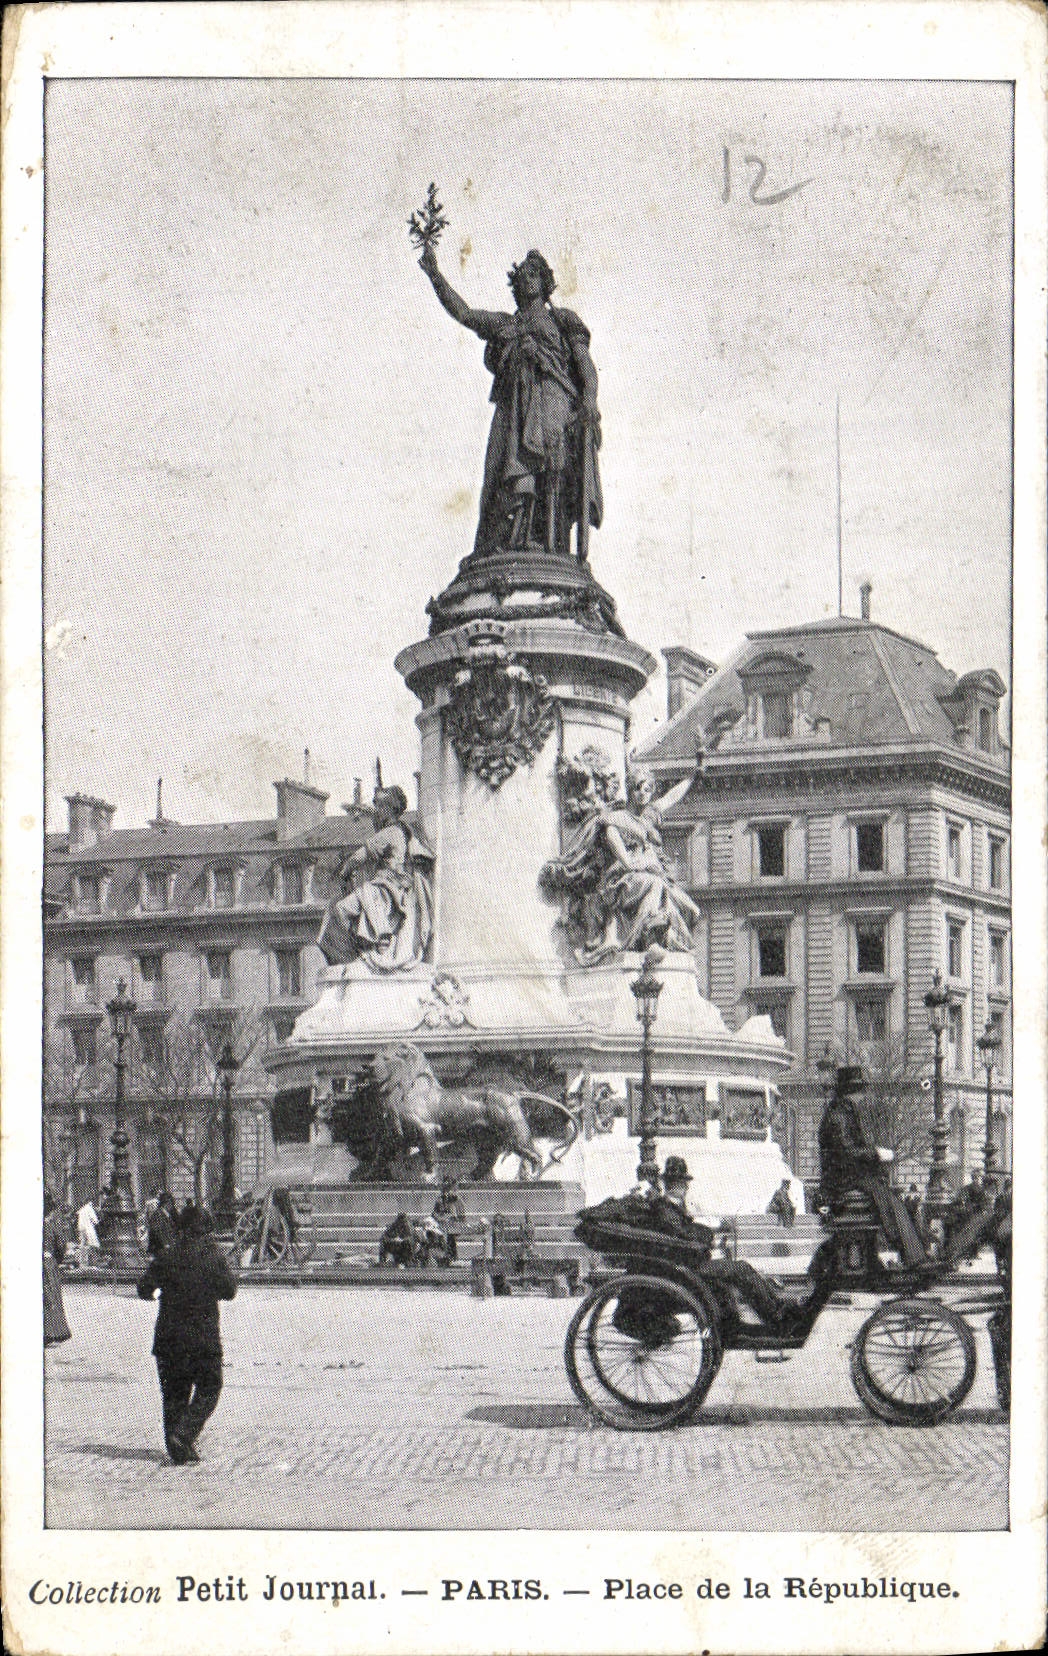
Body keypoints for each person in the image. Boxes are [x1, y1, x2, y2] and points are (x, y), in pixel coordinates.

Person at [419, 243, 602, 560]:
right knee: (508, 469)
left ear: (546, 283)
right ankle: (513, 540)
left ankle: (552, 545)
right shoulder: (507, 325)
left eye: (535, 274)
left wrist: (589, 400)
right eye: (523, 275)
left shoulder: (562, 321)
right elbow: (465, 314)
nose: (528, 279)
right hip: (514, 411)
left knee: (552, 474)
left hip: (554, 403)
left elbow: (585, 366)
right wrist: (436, 275)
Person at [136, 1203, 237, 1465]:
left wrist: (159, 1291)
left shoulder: (167, 1256)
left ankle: (177, 1445)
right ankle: (183, 1435)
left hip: (169, 1339)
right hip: (203, 1338)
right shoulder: (213, 1257)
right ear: (205, 1230)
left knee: (174, 1394)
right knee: (210, 1388)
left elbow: (144, 1288)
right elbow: (229, 1291)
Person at [817, 1066, 926, 1269]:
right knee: (888, 1199)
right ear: (850, 1093)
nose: (862, 1097)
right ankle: (914, 1257)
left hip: (848, 1176)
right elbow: (846, 1152)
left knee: (892, 1196)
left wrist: (873, 1155)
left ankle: (914, 1253)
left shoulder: (844, 1112)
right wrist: (876, 1153)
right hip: (841, 1180)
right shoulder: (838, 1116)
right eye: (859, 1091)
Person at [318, 785, 434, 972]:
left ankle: (369, 947)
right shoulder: (403, 830)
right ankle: (369, 947)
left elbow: (358, 858)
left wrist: (343, 873)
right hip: (392, 886)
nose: (376, 812)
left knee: (341, 908)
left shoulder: (389, 833)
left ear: (389, 809)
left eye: (379, 807)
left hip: (387, 888)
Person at [43, 1192, 72, 1347]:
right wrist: (57, 1260)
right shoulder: (51, 1225)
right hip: (48, 1263)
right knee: (51, 1297)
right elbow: (60, 1246)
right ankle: (52, 1331)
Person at [432, 1178, 466, 1265]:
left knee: (450, 1235)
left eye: (450, 1189)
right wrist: (440, 1218)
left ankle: (451, 1257)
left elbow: (461, 1217)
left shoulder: (457, 1200)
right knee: (437, 1233)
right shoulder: (440, 1200)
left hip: (455, 1225)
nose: (447, 1192)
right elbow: (434, 1214)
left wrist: (451, 1217)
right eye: (445, 1189)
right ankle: (442, 1257)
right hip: (442, 1225)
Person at [145, 1190, 178, 1257]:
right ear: (166, 1204)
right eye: (172, 1204)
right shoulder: (158, 1215)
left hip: (165, 1249)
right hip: (159, 1250)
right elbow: (157, 1231)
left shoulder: (166, 1215)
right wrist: (166, 1244)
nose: (172, 1206)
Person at [76, 1196, 100, 1267]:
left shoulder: (82, 1209)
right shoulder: (90, 1209)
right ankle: (93, 1263)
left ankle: (82, 1263)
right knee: (93, 1245)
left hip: (81, 1229)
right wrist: (98, 1221)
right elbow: (95, 1221)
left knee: (83, 1246)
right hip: (89, 1229)